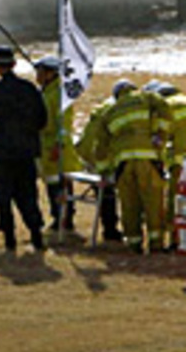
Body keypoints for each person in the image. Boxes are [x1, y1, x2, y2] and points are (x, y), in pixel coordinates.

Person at [0, 45, 47, 251]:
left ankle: (10, 238)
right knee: (27, 195)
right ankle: (36, 235)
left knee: (3, 196)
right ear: (14, 64)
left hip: (0, 153)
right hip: (25, 152)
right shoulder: (29, 89)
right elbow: (42, 120)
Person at [98, 80, 172, 253]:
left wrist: (104, 171)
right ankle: (156, 245)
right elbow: (165, 108)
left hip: (123, 165)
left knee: (129, 205)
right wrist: (160, 135)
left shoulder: (109, 112)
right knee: (153, 202)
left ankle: (133, 243)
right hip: (147, 158)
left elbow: (100, 146)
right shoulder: (146, 97)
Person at [33, 56, 82, 232]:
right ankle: (57, 216)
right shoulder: (45, 92)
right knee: (52, 185)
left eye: (40, 72)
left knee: (61, 186)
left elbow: (64, 123)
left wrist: (58, 145)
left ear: (50, 73)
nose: (37, 76)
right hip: (45, 147)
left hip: (56, 148)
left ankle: (65, 219)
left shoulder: (59, 95)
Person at [74, 90, 125, 243]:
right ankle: (111, 230)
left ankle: (110, 228)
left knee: (105, 195)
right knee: (110, 194)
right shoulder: (117, 111)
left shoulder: (101, 110)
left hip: (89, 159)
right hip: (103, 163)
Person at [153, 82, 186, 228]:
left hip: (181, 164)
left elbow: (161, 137)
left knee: (177, 200)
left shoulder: (166, 107)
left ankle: (176, 239)